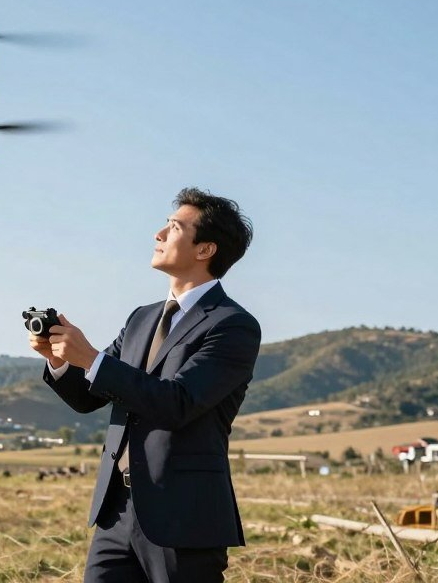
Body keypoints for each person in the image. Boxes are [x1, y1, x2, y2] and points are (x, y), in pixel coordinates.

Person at [31, 187, 260, 583]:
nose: (157, 234)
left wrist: (90, 357)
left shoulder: (232, 325)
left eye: (172, 227)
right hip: (116, 512)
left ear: (205, 249)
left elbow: (178, 402)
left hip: (183, 517)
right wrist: (60, 361)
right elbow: (90, 398)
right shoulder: (141, 318)